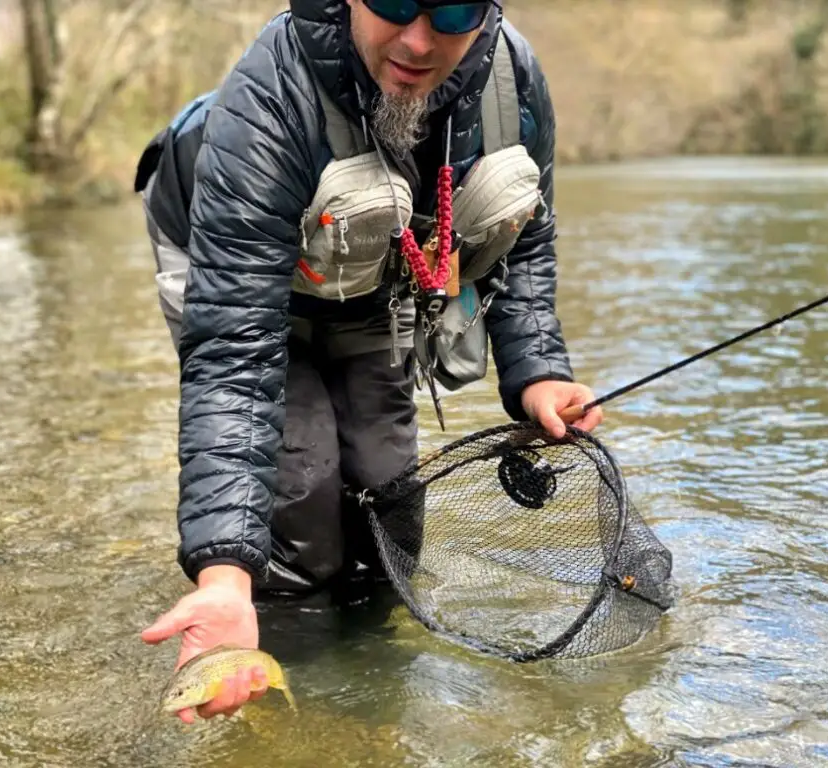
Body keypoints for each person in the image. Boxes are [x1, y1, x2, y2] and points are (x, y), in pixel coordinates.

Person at [134, 0, 603, 723]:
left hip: (365, 273)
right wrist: (224, 575)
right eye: (391, 3)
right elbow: (235, 357)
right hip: (232, 272)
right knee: (299, 510)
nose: (418, 40)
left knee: (386, 498)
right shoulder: (271, 95)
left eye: (450, 11)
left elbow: (527, 242)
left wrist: (538, 372)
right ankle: (296, 691)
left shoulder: (515, 81)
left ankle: (378, 701)